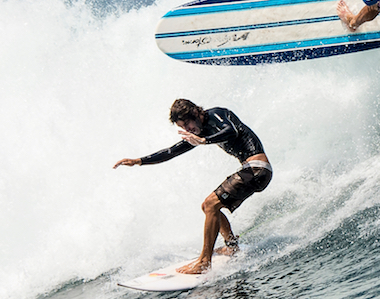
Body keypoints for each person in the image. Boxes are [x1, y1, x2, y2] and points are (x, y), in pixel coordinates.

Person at [114, 98, 271, 275]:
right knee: (207, 207)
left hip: (258, 169)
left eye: (187, 123)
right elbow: (171, 152)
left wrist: (203, 140)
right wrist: (139, 161)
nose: (188, 130)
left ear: (196, 112)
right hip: (251, 170)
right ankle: (232, 246)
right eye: (183, 127)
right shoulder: (200, 134)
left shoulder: (217, 114)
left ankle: (204, 262)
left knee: (211, 204)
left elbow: (231, 131)